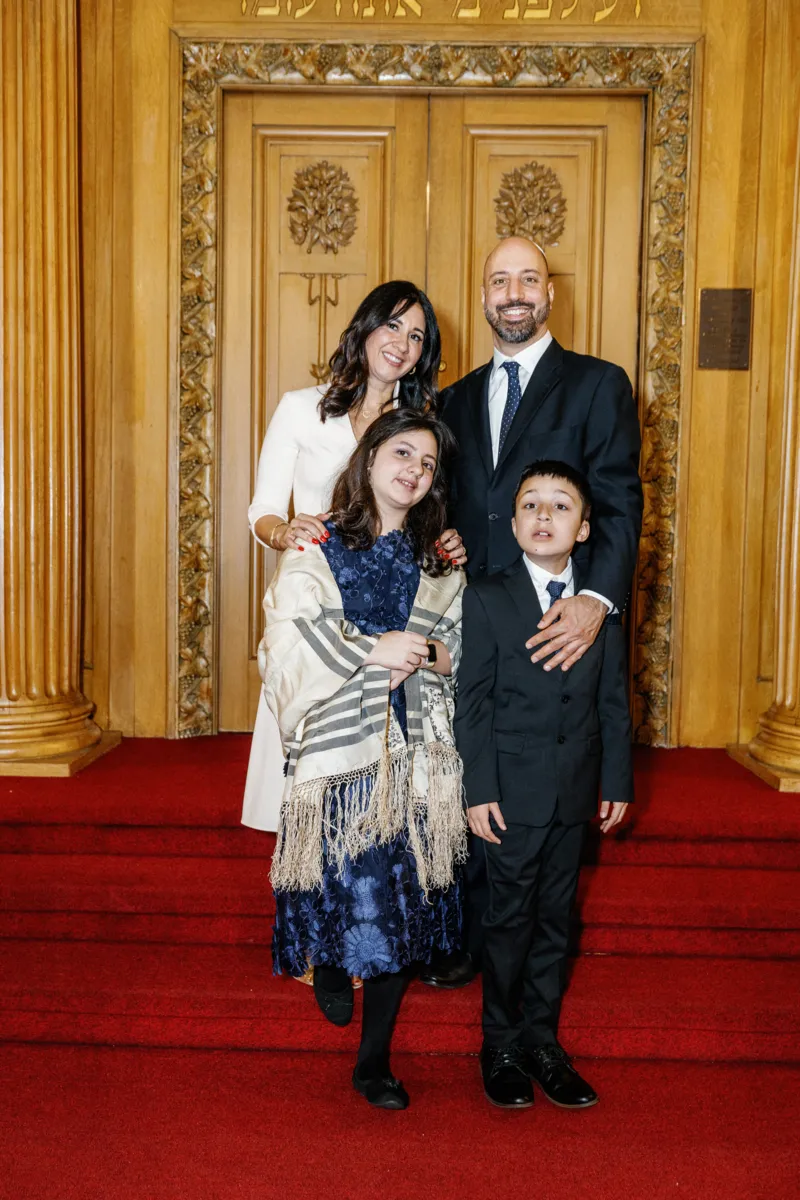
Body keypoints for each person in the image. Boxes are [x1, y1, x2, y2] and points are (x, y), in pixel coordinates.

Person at [426, 235, 643, 987]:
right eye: (498, 281)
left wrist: (596, 600)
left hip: (559, 617)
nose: (513, 293)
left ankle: (526, 962)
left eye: (528, 279)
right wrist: (445, 532)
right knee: (473, 762)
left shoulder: (597, 384)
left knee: (541, 777)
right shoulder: (452, 398)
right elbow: (452, 503)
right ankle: (477, 936)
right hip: (478, 612)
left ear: (551, 293)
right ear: (483, 296)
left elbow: (617, 503)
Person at [264, 409, 467, 1110]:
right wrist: (370, 652)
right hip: (339, 750)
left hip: (411, 753)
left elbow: (460, 648)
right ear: (372, 455)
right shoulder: (320, 541)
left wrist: (431, 657)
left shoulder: (439, 556)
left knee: (396, 904)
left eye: (429, 464)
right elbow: (288, 638)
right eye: (403, 453)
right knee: (340, 883)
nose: (414, 469)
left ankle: (373, 1061)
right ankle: (327, 959)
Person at [242, 281, 465, 835]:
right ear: (365, 328)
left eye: (417, 336)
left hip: (394, 603)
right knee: (312, 794)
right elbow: (262, 510)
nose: (402, 343)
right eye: (392, 325)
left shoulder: (422, 423)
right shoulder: (300, 409)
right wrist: (286, 531)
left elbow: (425, 507)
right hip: (325, 603)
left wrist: (446, 538)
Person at [454, 460, 633, 1110]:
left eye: (561, 506)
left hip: (574, 790)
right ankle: (499, 1043)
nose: (544, 516)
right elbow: (471, 702)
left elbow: (613, 699)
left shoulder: (597, 605)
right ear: (514, 519)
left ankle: (541, 1042)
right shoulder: (487, 595)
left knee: (556, 921)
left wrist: (615, 778)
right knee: (508, 920)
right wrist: (478, 789)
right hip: (510, 793)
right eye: (531, 504)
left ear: (583, 529)